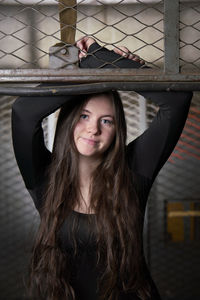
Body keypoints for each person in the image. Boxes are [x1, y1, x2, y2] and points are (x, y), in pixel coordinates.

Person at [11, 36, 193, 300]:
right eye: (84, 116)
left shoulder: (133, 171)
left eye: (106, 121)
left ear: (116, 130)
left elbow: (177, 101)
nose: (93, 129)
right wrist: (84, 68)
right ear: (69, 120)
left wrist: (104, 59)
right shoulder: (44, 177)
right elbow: (23, 112)